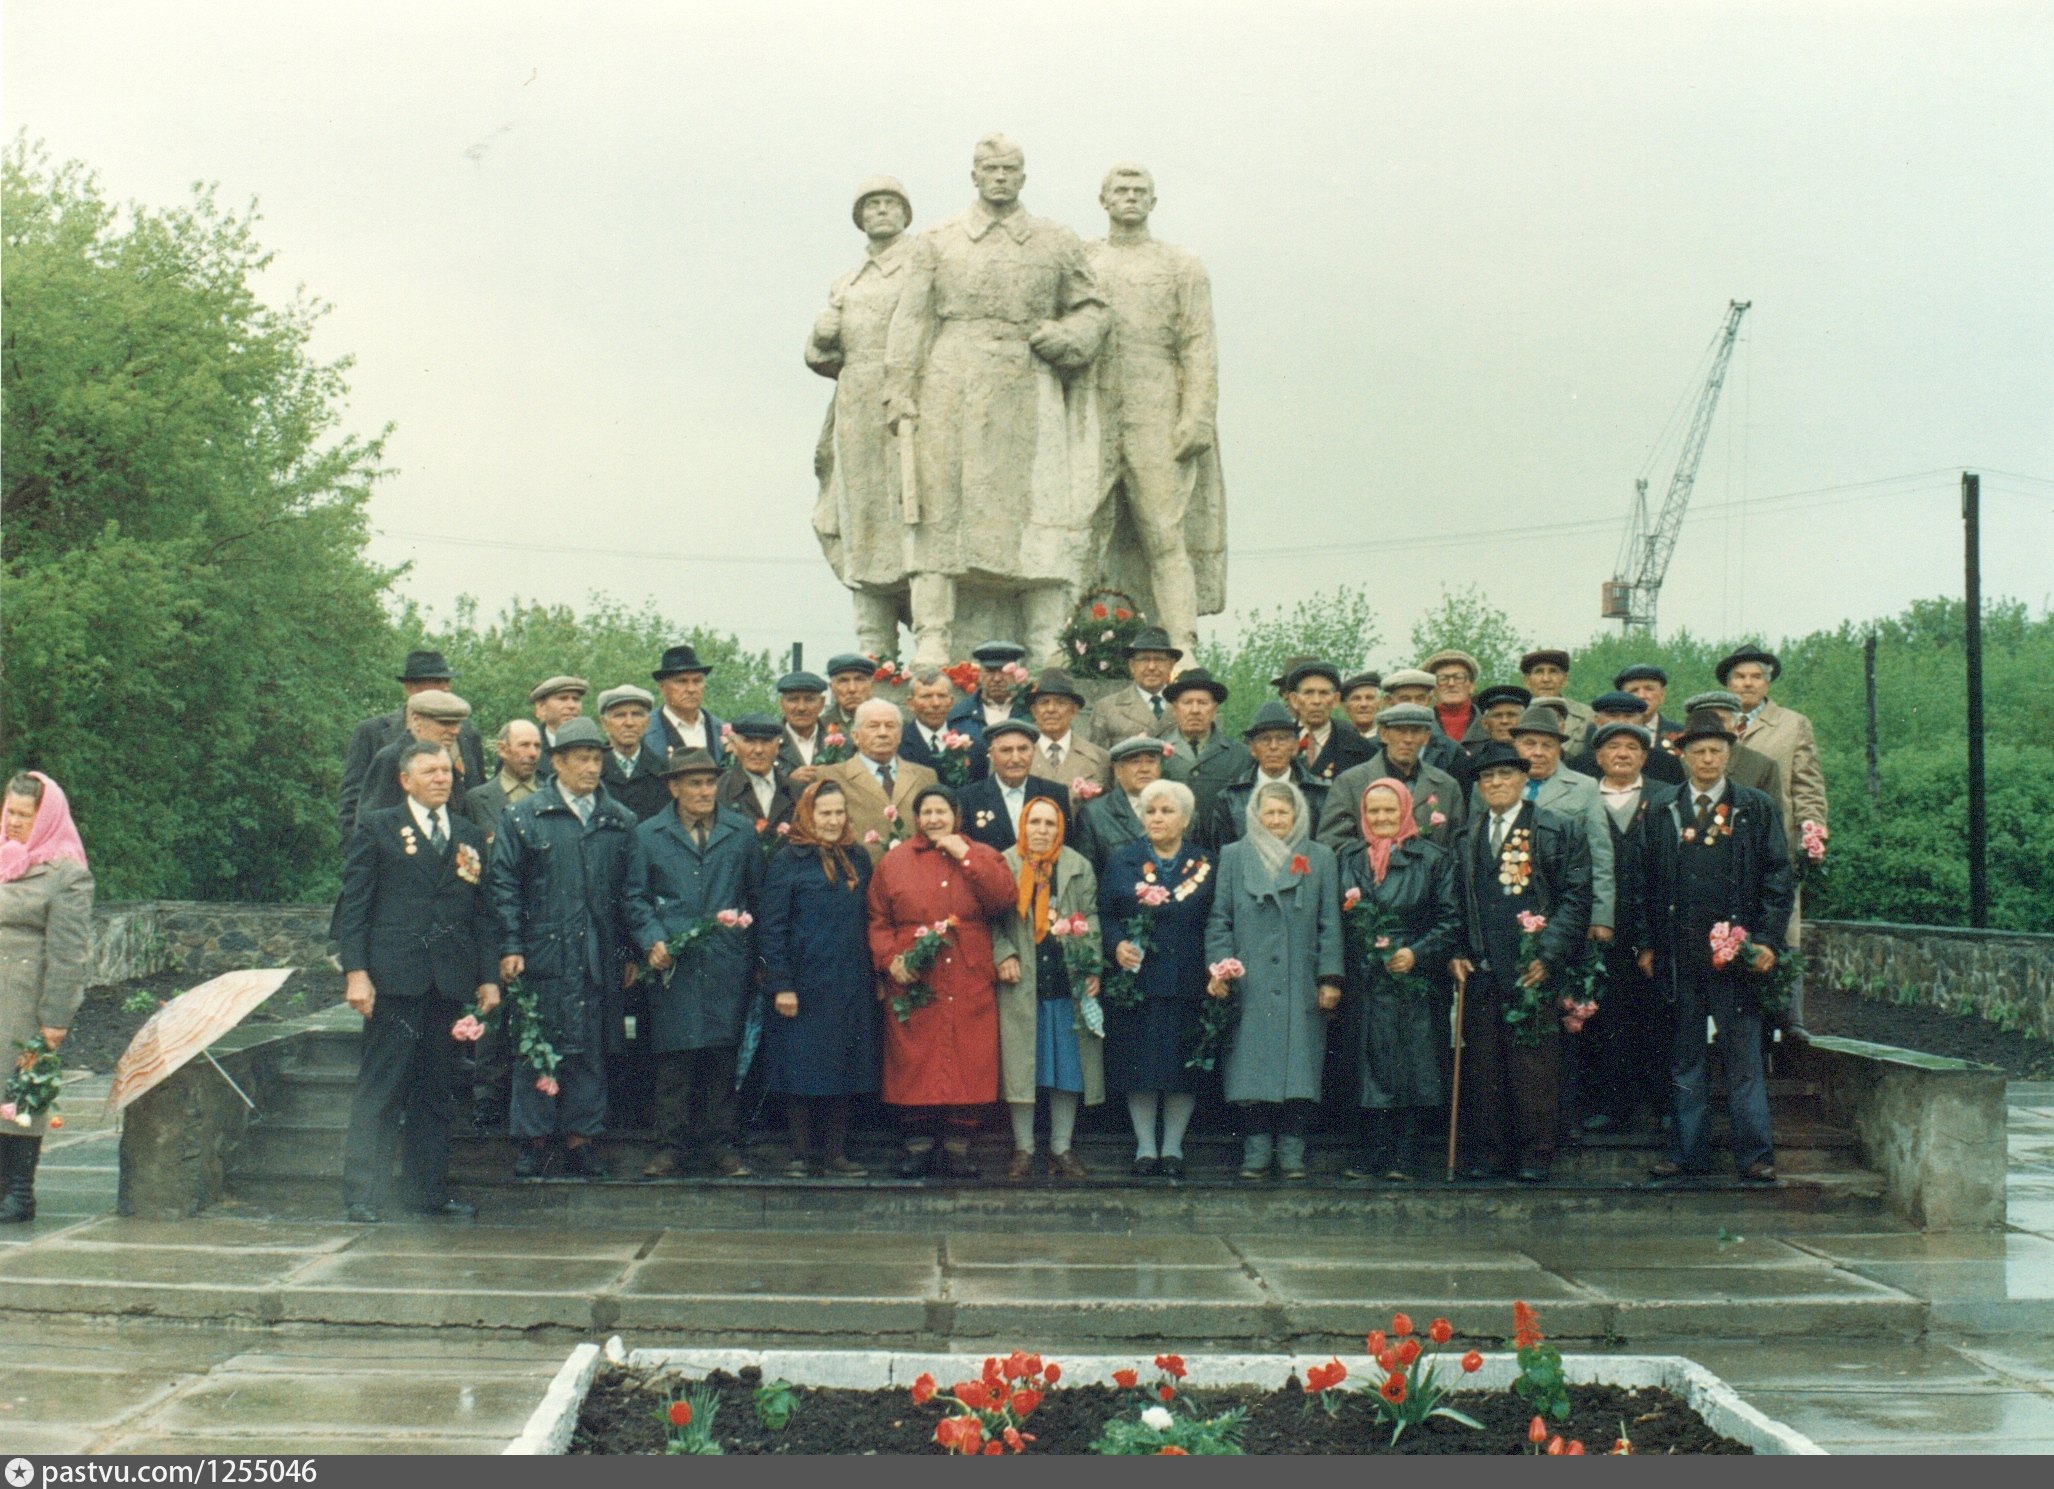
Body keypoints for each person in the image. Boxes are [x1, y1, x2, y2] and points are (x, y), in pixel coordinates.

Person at [883, 135, 1110, 664]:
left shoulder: (1055, 240)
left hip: (1029, 385)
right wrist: (899, 390)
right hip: (949, 384)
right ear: (975, 176)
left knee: (1042, 510)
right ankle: (934, 634)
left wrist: (1071, 336)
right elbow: (911, 319)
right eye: (990, 168)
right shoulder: (938, 240)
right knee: (939, 511)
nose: (1000, 177)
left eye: (1010, 169)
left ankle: (1047, 639)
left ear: (1023, 177)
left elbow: (1093, 307)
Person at [336, 742, 499, 1222]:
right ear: (405, 780)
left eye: (446, 771)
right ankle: (363, 1194)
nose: (440, 778)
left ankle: (426, 1194)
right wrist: (356, 973)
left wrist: (488, 978)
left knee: (437, 1090)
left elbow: (483, 916)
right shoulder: (378, 827)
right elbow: (356, 906)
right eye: (429, 771)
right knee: (382, 1087)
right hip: (394, 979)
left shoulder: (469, 836)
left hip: (448, 982)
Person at [1642, 710, 1795, 1183]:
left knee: (1742, 1056)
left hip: (1738, 955)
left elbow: (1778, 877)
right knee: (1686, 1056)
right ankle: (1689, 1152)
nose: (1707, 759)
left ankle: (1755, 1154)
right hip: (1680, 953)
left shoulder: (1754, 806)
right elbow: (1645, 880)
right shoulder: (1663, 807)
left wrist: (1766, 940)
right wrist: (1648, 944)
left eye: (1716, 750)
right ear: (1683, 756)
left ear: (1729, 755)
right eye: (1698, 751)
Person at [1085, 165, 1226, 660]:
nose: (1130, 199)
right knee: (1083, 530)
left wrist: (1198, 414)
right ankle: (1071, 641)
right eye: (1120, 191)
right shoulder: (1083, 259)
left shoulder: (1181, 264)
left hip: (1158, 400)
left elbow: (1198, 343)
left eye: (1139, 192)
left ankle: (1181, 642)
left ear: (1153, 201)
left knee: (1164, 530)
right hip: (1093, 402)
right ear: (1103, 200)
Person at [488, 717, 636, 1180]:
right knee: (537, 1042)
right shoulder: (524, 816)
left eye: (597, 758)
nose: (592, 768)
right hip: (541, 951)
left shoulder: (619, 820)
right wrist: (510, 945)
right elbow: (503, 886)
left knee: (591, 1047)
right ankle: (533, 1141)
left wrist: (631, 950)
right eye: (581, 759)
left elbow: (632, 892)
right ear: (558, 763)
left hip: (597, 953)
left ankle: (582, 1140)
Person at [1449, 741, 1594, 1183]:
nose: (1496, 783)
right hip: (1483, 965)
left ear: (1524, 780)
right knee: (1486, 1065)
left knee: (1534, 1064)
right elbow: (1455, 900)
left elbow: (1576, 896)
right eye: (1488, 777)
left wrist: (1549, 953)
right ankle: (1492, 1154)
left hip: (1534, 965)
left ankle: (1535, 1154)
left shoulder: (1554, 829)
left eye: (1506, 775)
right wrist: (1458, 950)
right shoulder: (1467, 834)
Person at [623, 748, 764, 1179]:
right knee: (674, 1056)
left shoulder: (740, 832)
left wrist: (754, 956)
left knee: (723, 1054)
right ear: (674, 788)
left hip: (726, 959)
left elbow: (756, 896)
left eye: (710, 783)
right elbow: (634, 897)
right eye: (694, 784)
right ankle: (670, 1147)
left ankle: (723, 1146)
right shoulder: (648, 834)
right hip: (673, 963)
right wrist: (652, 940)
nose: (705, 791)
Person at [867, 784, 1018, 1177]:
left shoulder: (983, 854)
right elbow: (878, 920)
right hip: (915, 973)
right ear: (916, 819)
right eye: (927, 812)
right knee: (914, 1058)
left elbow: (1003, 898)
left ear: (956, 816)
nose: (934, 819)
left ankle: (957, 1148)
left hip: (967, 973)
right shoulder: (895, 861)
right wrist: (890, 960)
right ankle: (917, 1147)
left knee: (968, 1057)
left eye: (942, 812)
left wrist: (965, 856)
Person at [1205, 781, 1344, 1180]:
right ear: (1255, 815)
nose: (1277, 820)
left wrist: (1330, 977)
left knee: (1299, 1067)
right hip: (1250, 982)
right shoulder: (1234, 855)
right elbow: (1220, 918)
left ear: (1298, 815)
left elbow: (1330, 922)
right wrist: (1220, 967)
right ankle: (1256, 1147)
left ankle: (1292, 1149)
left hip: (1301, 980)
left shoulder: (1319, 857)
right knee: (1250, 1067)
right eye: (1270, 813)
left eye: (1285, 813)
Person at [805, 177, 919, 656]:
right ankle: (877, 650)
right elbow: (818, 357)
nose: (881, 212)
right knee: (859, 519)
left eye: (890, 204)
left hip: (905, 400)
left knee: (910, 514)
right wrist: (820, 336)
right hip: (854, 405)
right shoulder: (847, 280)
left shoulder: (919, 263)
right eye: (872, 205)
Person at [1335, 778, 1463, 1181]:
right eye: (1373, 811)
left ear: (1406, 810)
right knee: (1369, 1064)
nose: (1382, 818)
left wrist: (1417, 953)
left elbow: (1450, 918)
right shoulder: (1351, 857)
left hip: (1412, 975)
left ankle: (1404, 1156)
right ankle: (1371, 1150)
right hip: (1366, 976)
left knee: (1411, 1064)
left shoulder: (1433, 858)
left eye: (1390, 810)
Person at [757, 781, 878, 1178]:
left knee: (844, 1066)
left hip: (849, 981)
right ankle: (799, 1153)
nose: (833, 820)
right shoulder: (788, 859)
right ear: (808, 814)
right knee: (801, 1067)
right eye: (825, 813)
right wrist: (781, 984)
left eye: (839, 812)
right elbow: (771, 927)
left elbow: (869, 919)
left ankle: (836, 1153)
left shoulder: (857, 858)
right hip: (803, 985)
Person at [1099, 779, 1216, 1177]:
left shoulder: (1204, 863)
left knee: (1181, 1068)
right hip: (1138, 981)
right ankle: (1146, 1148)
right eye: (1151, 811)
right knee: (1141, 1066)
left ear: (1185, 819)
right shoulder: (1122, 860)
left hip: (1188, 980)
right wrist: (1115, 945)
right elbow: (1107, 914)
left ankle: (1173, 1149)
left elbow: (1217, 919)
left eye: (1167, 811)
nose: (1158, 818)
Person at [992, 796, 1105, 1181]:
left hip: (1064, 981)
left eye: (1050, 824)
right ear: (1022, 826)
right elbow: (989, 920)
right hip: (1022, 982)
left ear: (1061, 829)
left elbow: (1089, 916)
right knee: (1021, 1066)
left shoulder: (1077, 866)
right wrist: (1002, 953)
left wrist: (1092, 965)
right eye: (1034, 823)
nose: (1041, 831)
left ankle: (1062, 1146)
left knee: (1067, 1068)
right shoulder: (1004, 864)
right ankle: (1024, 1148)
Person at [1718, 645, 1827, 1040]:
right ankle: (1738, 1019)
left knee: (1783, 925)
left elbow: (1808, 785)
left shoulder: (1793, 724)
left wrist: (1811, 833)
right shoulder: (1714, 721)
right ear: (1727, 683)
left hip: (1775, 839)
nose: (1747, 683)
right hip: (1722, 842)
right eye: (1739, 677)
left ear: (1768, 681)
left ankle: (1789, 1015)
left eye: (1756, 676)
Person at [0, 773, 93, 1224]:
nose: (13, 822)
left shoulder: (66, 874)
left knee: (20, 1093)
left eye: (23, 814)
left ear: (45, 817)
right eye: (9, 811)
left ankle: (19, 1194)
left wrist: (56, 1019)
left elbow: (69, 953)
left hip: (23, 1001)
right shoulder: (3, 858)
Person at [1576, 720, 1676, 1135]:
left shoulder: (1664, 798)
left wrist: (1655, 935)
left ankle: (1664, 1104)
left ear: (1644, 756)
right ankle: (1613, 1105)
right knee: (1605, 1018)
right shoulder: (1585, 797)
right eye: (1613, 747)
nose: (1622, 754)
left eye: (1631, 748)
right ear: (1598, 757)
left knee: (1657, 1017)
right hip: (1598, 928)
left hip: (1651, 927)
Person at [339, 650, 484, 843]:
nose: (446, 688)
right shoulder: (372, 733)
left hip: (454, 852)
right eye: (436, 682)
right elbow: (352, 803)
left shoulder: (467, 734)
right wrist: (359, 854)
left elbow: (477, 795)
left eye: (447, 682)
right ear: (410, 687)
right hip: (398, 851)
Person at [1507, 704, 1617, 951]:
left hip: (1565, 907)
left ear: (1559, 748)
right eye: (1529, 743)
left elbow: (1600, 855)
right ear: (1515, 745)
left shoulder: (1584, 787)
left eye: (1547, 745)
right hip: (1509, 906)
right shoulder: (1496, 785)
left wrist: (1601, 916)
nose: (1538, 752)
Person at [1316, 701, 1464, 851]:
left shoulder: (1446, 786)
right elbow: (1332, 841)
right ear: (1384, 734)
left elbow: (1456, 846)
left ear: (1426, 737)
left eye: (1416, 731)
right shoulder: (1351, 783)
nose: (1408, 739)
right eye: (1400, 731)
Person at [825, 698, 938, 863]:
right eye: (873, 726)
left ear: (900, 736)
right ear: (855, 736)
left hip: (915, 875)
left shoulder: (926, 776)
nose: (883, 733)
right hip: (857, 877)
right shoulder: (831, 777)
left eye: (890, 726)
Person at [1205, 701, 1329, 851]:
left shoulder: (1319, 794)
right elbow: (1223, 854)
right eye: (1265, 739)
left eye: (1282, 739)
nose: (1273, 746)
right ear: (1252, 749)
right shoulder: (1231, 798)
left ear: (1295, 747)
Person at [357, 690, 478, 830]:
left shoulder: (446, 761)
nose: (455, 731)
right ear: (416, 721)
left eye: (457, 724)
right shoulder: (391, 759)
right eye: (445, 723)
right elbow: (372, 826)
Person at [959, 719, 1067, 852]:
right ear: (991, 755)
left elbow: (1065, 847)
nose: (1016, 758)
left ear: (1033, 752)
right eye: (1006, 750)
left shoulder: (1054, 793)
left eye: (1023, 749)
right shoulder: (968, 798)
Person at [1160, 668, 1240, 839]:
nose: (1195, 710)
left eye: (1203, 703)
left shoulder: (1239, 755)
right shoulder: (1156, 753)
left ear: (1214, 709)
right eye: (1187, 702)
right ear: (1175, 708)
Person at [1074, 735, 1166, 873]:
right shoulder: (1094, 815)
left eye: (1151, 761)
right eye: (1135, 762)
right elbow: (1087, 876)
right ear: (1118, 771)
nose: (1144, 769)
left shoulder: (1179, 809)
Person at [1086, 626, 1181, 748]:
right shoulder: (1106, 709)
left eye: (1159, 659)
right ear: (1132, 665)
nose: (1152, 667)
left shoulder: (1185, 707)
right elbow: (1095, 760)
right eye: (1144, 659)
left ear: (1171, 665)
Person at [1026, 668, 1112, 803]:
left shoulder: (1100, 758)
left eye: (1060, 702)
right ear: (1033, 710)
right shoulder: (1017, 756)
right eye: (1043, 702)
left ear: (1074, 710)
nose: (1051, 709)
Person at [1382, 667, 1474, 790]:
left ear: (1429, 701)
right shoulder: (1372, 747)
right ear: (1389, 701)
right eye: (1405, 699)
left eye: (1420, 699)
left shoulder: (1452, 751)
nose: (1413, 705)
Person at [1285, 661, 1376, 782]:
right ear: (1294, 700)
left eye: (1324, 693)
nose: (1316, 701)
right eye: (1308, 693)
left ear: (1335, 700)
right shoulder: (1276, 742)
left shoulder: (1361, 749)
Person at [1567, 691, 1683, 786]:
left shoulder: (1666, 764)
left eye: (1629, 716)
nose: (1621, 722)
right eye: (1613, 716)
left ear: (1641, 722)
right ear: (1597, 722)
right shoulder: (1578, 767)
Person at [1681, 690, 1782, 797]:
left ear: (1736, 724)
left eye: (1720, 720)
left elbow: (1772, 812)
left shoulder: (1762, 767)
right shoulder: (1677, 765)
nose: (1713, 726)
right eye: (1706, 720)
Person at [596, 685, 672, 821]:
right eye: (620, 715)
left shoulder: (664, 771)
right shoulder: (591, 769)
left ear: (648, 722)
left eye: (637, 714)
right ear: (604, 723)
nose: (629, 723)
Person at [944, 640, 1032, 756]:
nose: (997, 678)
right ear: (979, 675)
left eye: (1003, 671)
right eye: (989, 671)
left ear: (1016, 674)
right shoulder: (960, 716)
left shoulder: (1031, 711)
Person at [466, 720, 543, 846]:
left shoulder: (552, 796)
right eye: (524, 745)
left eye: (537, 746)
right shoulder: (476, 801)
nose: (533, 753)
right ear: (502, 749)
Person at [716, 713, 799, 830]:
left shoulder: (796, 791)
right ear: (734, 746)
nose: (758, 750)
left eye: (766, 741)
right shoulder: (719, 790)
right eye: (749, 741)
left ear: (777, 747)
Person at [648, 644, 726, 766]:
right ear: (662, 687)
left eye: (697, 681)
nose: (691, 689)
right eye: (681, 681)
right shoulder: (644, 732)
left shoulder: (722, 730)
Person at [1519, 649, 1594, 748]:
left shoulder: (1588, 716)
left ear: (1565, 679)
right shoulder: (1516, 716)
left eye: (1553, 672)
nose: (1546, 679)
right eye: (1539, 672)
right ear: (1527, 680)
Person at [897, 667, 962, 775]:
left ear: (951, 702)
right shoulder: (897, 744)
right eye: (926, 696)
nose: (936, 703)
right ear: (910, 704)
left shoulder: (970, 743)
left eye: (942, 696)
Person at [774, 670, 835, 785]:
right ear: (781, 703)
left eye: (809, 699)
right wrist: (789, 781)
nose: (801, 707)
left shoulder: (842, 744)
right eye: (793, 699)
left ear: (822, 703)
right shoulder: (767, 744)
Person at [1422, 649, 1486, 752]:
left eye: (1459, 677)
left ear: (1471, 686)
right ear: (1433, 689)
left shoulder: (1490, 726)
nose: (1451, 684)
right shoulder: (1420, 728)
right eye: (1442, 679)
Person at [529, 674, 590, 760]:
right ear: (541, 708)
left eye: (576, 699)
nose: (572, 706)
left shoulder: (595, 748)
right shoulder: (527, 749)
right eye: (563, 699)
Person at [1615, 664, 1679, 741]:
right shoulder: (1606, 734)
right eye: (1634, 690)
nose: (1642, 696)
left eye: (1649, 689)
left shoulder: (1680, 734)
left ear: (1662, 695)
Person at [824, 653, 880, 731]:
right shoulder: (819, 725)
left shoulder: (890, 722)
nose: (852, 689)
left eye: (859, 680)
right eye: (843, 681)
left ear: (872, 686)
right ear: (832, 688)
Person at [1339, 671, 1383, 737]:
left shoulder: (1392, 741)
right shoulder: (1335, 742)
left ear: (1379, 704)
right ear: (1345, 707)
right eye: (1356, 698)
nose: (1364, 704)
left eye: (1369, 698)